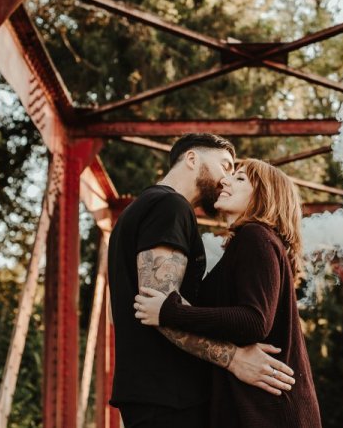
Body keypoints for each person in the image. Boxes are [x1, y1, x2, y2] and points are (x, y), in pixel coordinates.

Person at [108, 135, 296, 428]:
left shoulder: (144, 208)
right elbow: (158, 307)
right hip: (170, 394)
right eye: (225, 166)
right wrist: (234, 358)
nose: (225, 180)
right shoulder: (170, 206)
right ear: (192, 159)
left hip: (157, 392)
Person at [135, 159, 322, 428]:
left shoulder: (256, 236)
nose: (225, 181)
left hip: (269, 411)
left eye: (240, 179)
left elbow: (254, 321)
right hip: (259, 406)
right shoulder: (250, 243)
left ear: (265, 195)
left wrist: (171, 312)